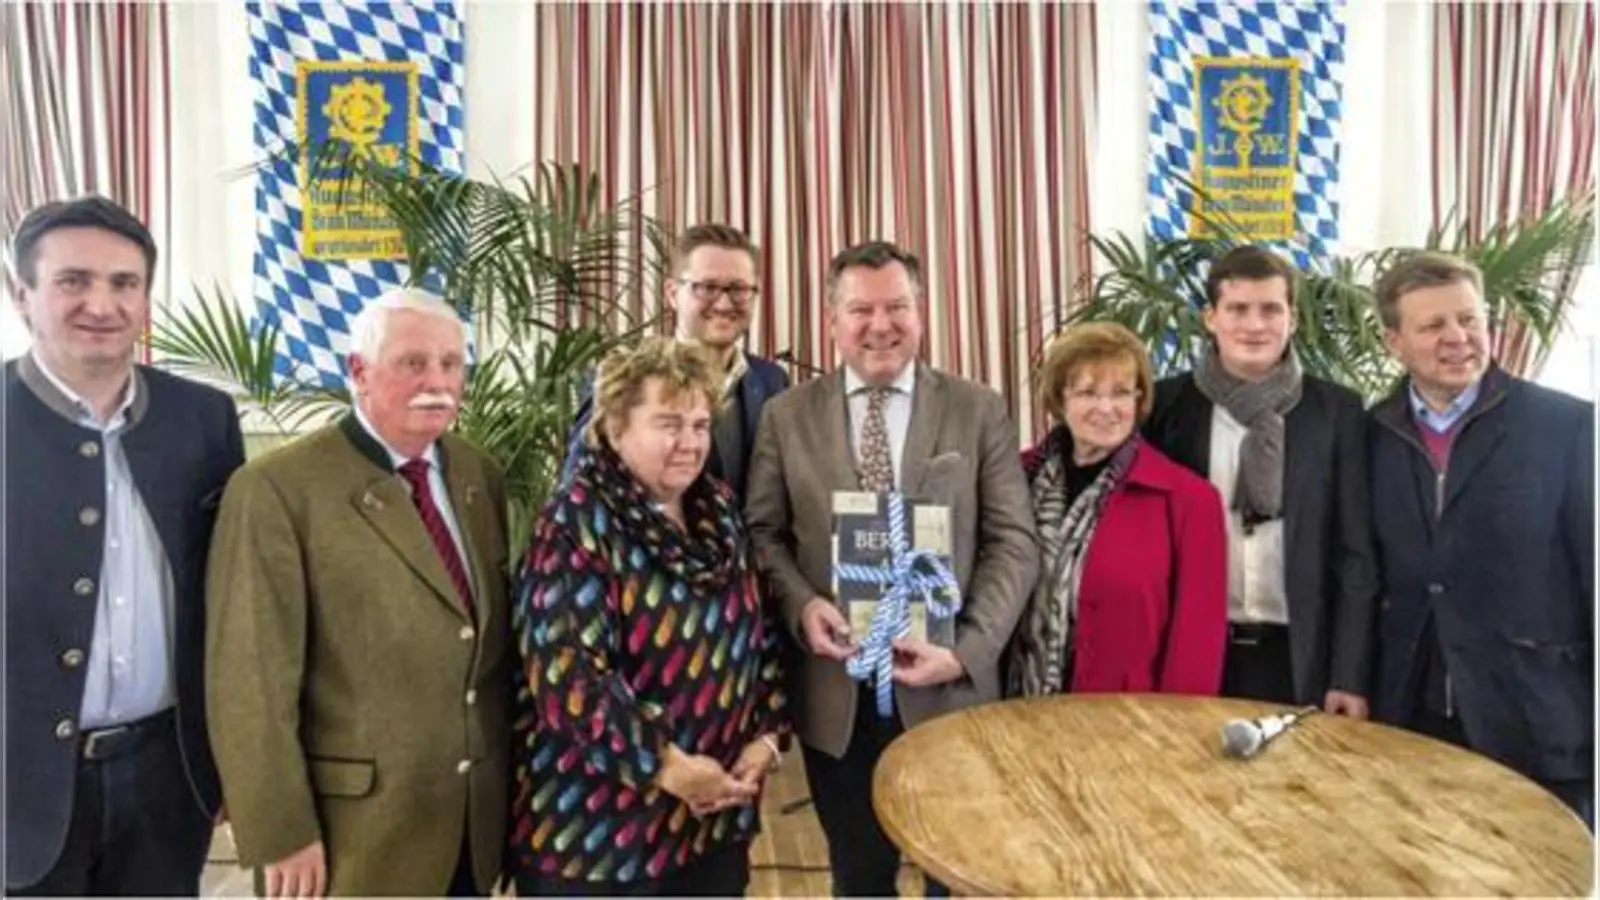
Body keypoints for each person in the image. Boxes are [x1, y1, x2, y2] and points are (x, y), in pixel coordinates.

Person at [745, 240, 1039, 896]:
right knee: (859, 878)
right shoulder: (786, 417)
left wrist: (965, 653)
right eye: (861, 310)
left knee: (957, 880)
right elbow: (762, 535)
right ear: (832, 321)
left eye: (897, 306)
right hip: (837, 695)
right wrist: (800, 605)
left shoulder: (977, 408)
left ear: (921, 312)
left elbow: (1014, 543)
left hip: (947, 692)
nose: (881, 324)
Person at [205, 289, 512, 895]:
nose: (437, 382)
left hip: (471, 822)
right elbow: (248, 681)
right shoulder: (277, 489)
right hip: (353, 835)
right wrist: (280, 830)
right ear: (358, 371)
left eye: (451, 364)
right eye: (413, 363)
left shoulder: (478, 474)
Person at [3, 196, 244, 896]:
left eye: (124, 283)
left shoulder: (204, 418)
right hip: (17, 783)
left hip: (167, 778)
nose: (101, 304)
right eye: (73, 281)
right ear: (22, 294)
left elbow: (231, 598)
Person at [509, 337, 788, 896]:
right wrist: (668, 767)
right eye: (668, 424)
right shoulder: (576, 521)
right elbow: (567, 675)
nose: (690, 443)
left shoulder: (718, 507)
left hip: (713, 817)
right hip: (602, 835)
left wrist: (767, 736)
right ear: (615, 428)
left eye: (700, 425)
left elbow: (760, 631)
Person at [1367, 251, 1594, 826]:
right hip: (1411, 716)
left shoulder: (1566, 426)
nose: (1457, 337)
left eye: (1469, 319)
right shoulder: (1370, 434)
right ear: (1394, 342)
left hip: (1539, 716)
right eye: (1433, 325)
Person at [1143, 245, 1380, 714]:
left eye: (1271, 309)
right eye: (1238, 309)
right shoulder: (1164, 406)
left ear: (1293, 319)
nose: (1255, 325)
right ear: (1211, 318)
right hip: (1195, 651)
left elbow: (1356, 555)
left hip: (1302, 657)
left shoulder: (1338, 412)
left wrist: (1349, 675)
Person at [1009, 322, 1227, 697]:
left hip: (1129, 718)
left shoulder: (1190, 500)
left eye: (1121, 393)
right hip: (1012, 709)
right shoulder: (1013, 478)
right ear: (1060, 399)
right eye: (1088, 393)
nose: (1106, 408)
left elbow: (1197, 646)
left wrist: (1177, 724)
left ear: (1139, 400)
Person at [564, 224, 789, 499]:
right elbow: (579, 490)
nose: (724, 304)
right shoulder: (626, 377)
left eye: (738, 289)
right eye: (707, 288)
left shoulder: (773, 381)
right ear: (672, 293)